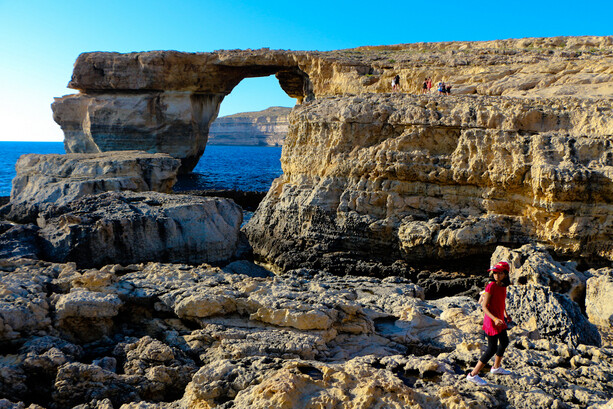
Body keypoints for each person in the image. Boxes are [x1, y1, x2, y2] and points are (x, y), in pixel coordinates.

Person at [466, 261, 513, 386]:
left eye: (500, 273)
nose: (497, 275)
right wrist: (495, 319)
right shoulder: (491, 286)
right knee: (491, 348)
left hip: (500, 319)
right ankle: (472, 374)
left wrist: (506, 314)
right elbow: (484, 307)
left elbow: (501, 303)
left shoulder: (502, 285)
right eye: (495, 273)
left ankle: (496, 368)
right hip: (492, 321)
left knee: (504, 342)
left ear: (505, 274)